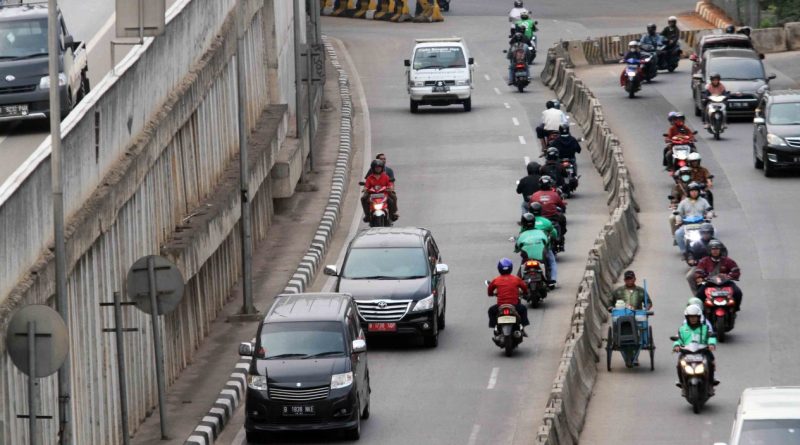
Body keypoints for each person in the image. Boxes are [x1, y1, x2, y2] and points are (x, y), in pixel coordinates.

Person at [673, 305, 718, 393]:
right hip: (686, 352)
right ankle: (681, 381)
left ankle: (711, 380)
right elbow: (678, 339)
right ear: (687, 318)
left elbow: (711, 336)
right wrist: (676, 345)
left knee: (710, 361)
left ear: (699, 317)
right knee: (679, 364)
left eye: (695, 317)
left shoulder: (705, 328)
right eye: (690, 317)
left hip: (703, 351)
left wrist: (711, 343)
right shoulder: (682, 329)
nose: (693, 319)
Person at [487, 258, 530, 336]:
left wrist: (491, 294)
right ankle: (522, 327)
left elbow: (490, 289)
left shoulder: (496, 280)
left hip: (500, 306)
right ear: (511, 268)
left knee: (491, 310)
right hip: (514, 305)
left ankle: (495, 327)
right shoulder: (516, 279)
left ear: (499, 269)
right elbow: (524, 287)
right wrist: (525, 292)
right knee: (523, 309)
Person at [695, 240, 742, 311]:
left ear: (720, 250)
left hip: (726, 283)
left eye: (717, 249)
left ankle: (735, 308)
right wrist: (700, 277)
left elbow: (735, 271)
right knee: (699, 294)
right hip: (709, 283)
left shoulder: (728, 261)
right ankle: (701, 310)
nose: (715, 251)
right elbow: (699, 271)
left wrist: (728, 276)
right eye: (713, 249)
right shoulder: (704, 261)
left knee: (738, 292)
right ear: (709, 250)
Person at [522, 205, 558, 287]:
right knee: (552, 262)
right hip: (543, 249)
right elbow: (554, 234)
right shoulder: (546, 222)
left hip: (528, 250)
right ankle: (553, 280)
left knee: (523, 263)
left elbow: (521, 237)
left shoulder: (526, 223)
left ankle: (518, 283)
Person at [674, 182, 712, 257]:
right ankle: (684, 251)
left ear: (698, 192)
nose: (694, 193)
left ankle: (711, 248)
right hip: (687, 224)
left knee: (714, 231)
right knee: (678, 233)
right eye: (692, 191)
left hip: (701, 224)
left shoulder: (703, 201)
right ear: (688, 192)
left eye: (695, 191)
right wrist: (678, 219)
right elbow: (678, 213)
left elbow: (709, 210)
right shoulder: (683, 202)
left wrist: (709, 215)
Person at [530, 176, 567, 245]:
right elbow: (562, 205)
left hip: (539, 217)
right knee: (563, 219)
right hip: (552, 217)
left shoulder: (534, 195)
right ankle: (560, 236)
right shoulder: (555, 194)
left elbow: (530, 206)